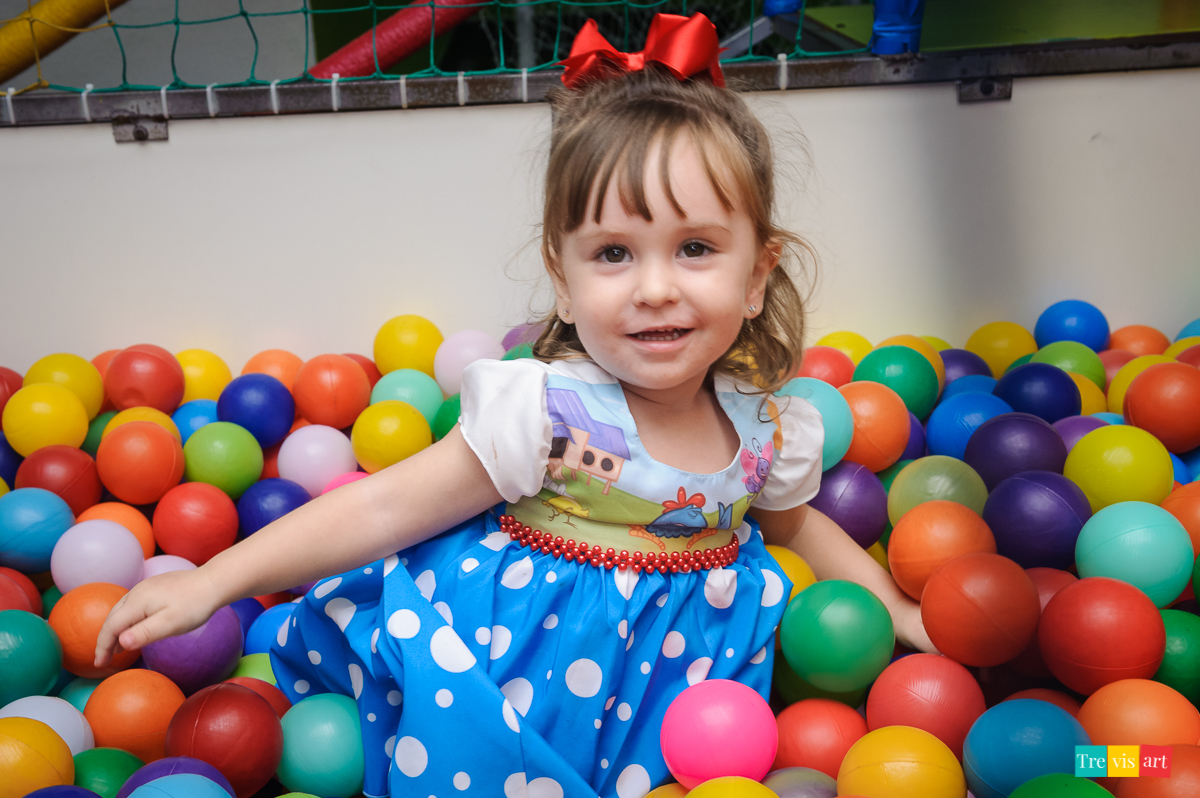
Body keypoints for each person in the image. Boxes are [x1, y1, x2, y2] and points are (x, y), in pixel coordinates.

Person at [96, 13, 933, 798]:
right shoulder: (547, 410)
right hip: (520, 669)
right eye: (613, 253)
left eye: (695, 249)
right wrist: (212, 580)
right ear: (562, 280)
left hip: (682, 698)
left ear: (757, 275)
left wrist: (893, 610)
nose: (653, 287)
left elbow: (795, 525)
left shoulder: (764, 426)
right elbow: (387, 505)